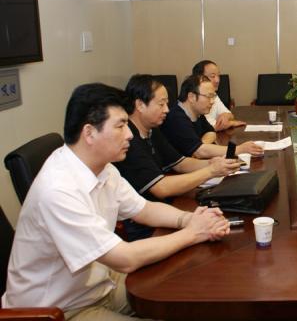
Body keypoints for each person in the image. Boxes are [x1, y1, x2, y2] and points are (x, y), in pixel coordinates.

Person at [1, 83, 231, 320]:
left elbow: (144, 209)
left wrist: (189, 219)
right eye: (120, 126)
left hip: (99, 284)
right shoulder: (58, 190)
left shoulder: (104, 168)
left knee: (186, 300)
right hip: (59, 310)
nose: (130, 134)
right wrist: (193, 232)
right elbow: (126, 259)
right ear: (89, 133)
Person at [114, 74, 240, 241]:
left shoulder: (152, 129)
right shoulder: (129, 141)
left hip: (165, 210)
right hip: (144, 226)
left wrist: (212, 163)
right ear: (140, 105)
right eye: (161, 104)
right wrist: (210, 171)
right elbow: (161, 188)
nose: (167, 109)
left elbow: (180, 163)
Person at [161, 74, 263, 158]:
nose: (212, 101)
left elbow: (211, 132)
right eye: (209, 96)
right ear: (191, 97)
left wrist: (202, 144)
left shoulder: (197, 112)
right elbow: (199, 152)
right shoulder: (176, 118)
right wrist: (239, 149)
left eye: (213, 96)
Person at [192, 60, 246, 131]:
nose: (217, 80)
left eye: (218, 76)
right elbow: (203, 129)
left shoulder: (213, 95)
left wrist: (226, 116)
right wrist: (228, 124)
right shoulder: (195, 98)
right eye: (212, 76)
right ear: (199, 78)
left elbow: (230, 115)